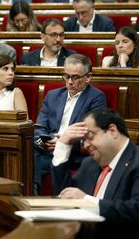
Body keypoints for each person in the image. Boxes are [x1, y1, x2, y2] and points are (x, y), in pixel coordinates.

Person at [53, 108, 139, 239]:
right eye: (83, 141)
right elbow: (66, 198)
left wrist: (88, 202)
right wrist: (62, 146)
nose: (86, 145)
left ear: (112, 131)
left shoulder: (136, 161)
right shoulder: (89, 164)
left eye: (90, 136)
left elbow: (136, 210)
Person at [34, 54, 107, 194]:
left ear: (88, 77)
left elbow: (92, 133)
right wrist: (43, 141)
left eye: (75, 77)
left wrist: (63, 143)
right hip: (49, 150)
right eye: (66, 76)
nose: (69, 82)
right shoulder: (52, 95)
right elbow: (40, 127)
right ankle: (33, 193)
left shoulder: (96, 97)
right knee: (30, 148)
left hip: (73, 154)